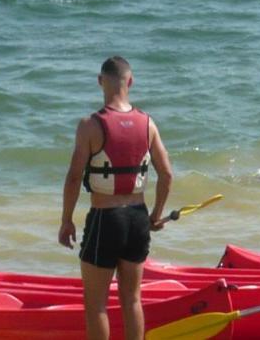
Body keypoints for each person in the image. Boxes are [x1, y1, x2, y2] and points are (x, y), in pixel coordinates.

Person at [58, 56, 173, 340]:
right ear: (130, 82)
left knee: (97, 305)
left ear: (100, 81)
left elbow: (73, 177)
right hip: (137, 218)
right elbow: (167, 174)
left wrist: (66, 221)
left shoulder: (90, 125)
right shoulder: (148, 124)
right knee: (132, 300)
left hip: (105, 219)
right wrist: (156, 215)